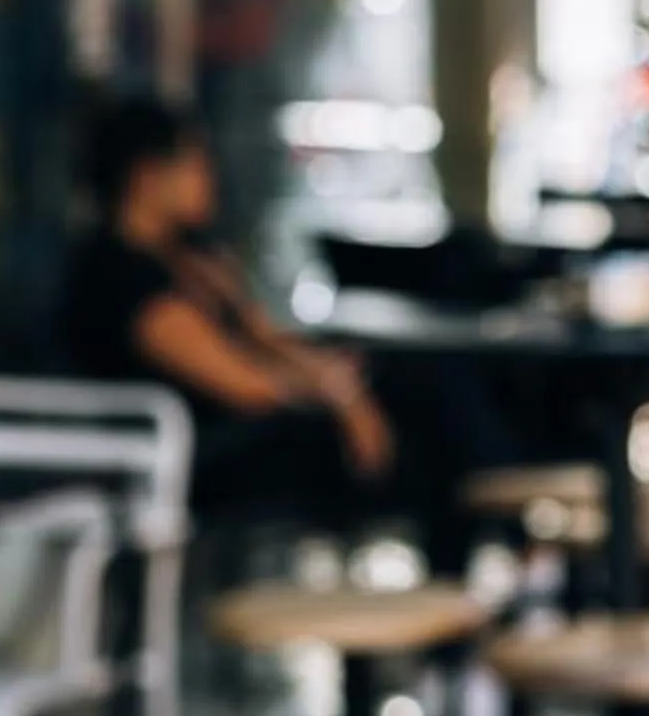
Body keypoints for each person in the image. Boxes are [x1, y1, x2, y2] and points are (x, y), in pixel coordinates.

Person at [61, 94, 407, 520]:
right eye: (195, 163)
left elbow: (263, 337)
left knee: (404, 384)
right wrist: (336, 396)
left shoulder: (191, 260)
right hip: (187, 454)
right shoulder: (121, 277)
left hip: (234, 433)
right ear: (147, 176)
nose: (209, 179)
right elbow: (243, 385)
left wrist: (341, 383)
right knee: (335, 431)